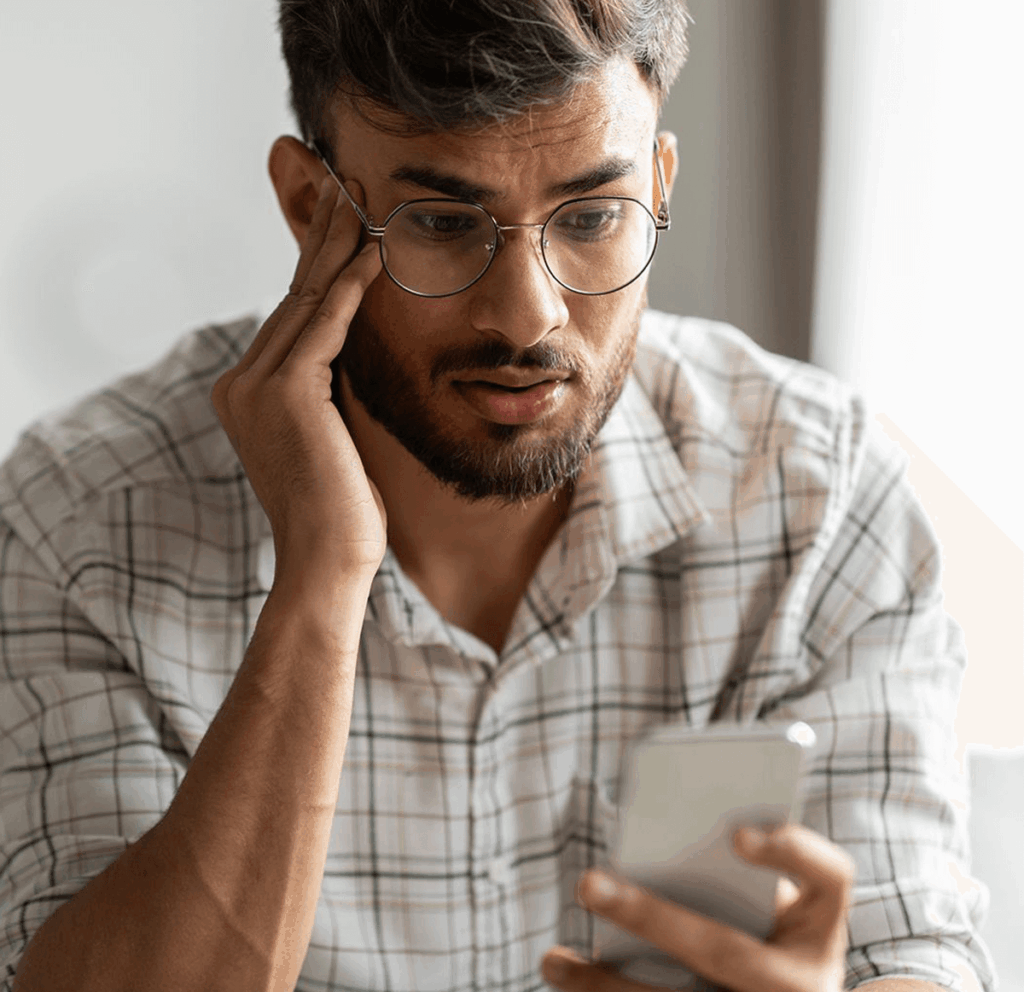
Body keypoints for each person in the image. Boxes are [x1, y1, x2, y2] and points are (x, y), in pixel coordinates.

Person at [0, 2, 996, 990]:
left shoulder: (813, 493)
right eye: (441, 220)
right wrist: (321, 574)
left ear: (656, 187)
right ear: (311, 209)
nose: (527, 312)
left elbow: (909, 949)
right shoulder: (82, 520)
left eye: (593, 216)